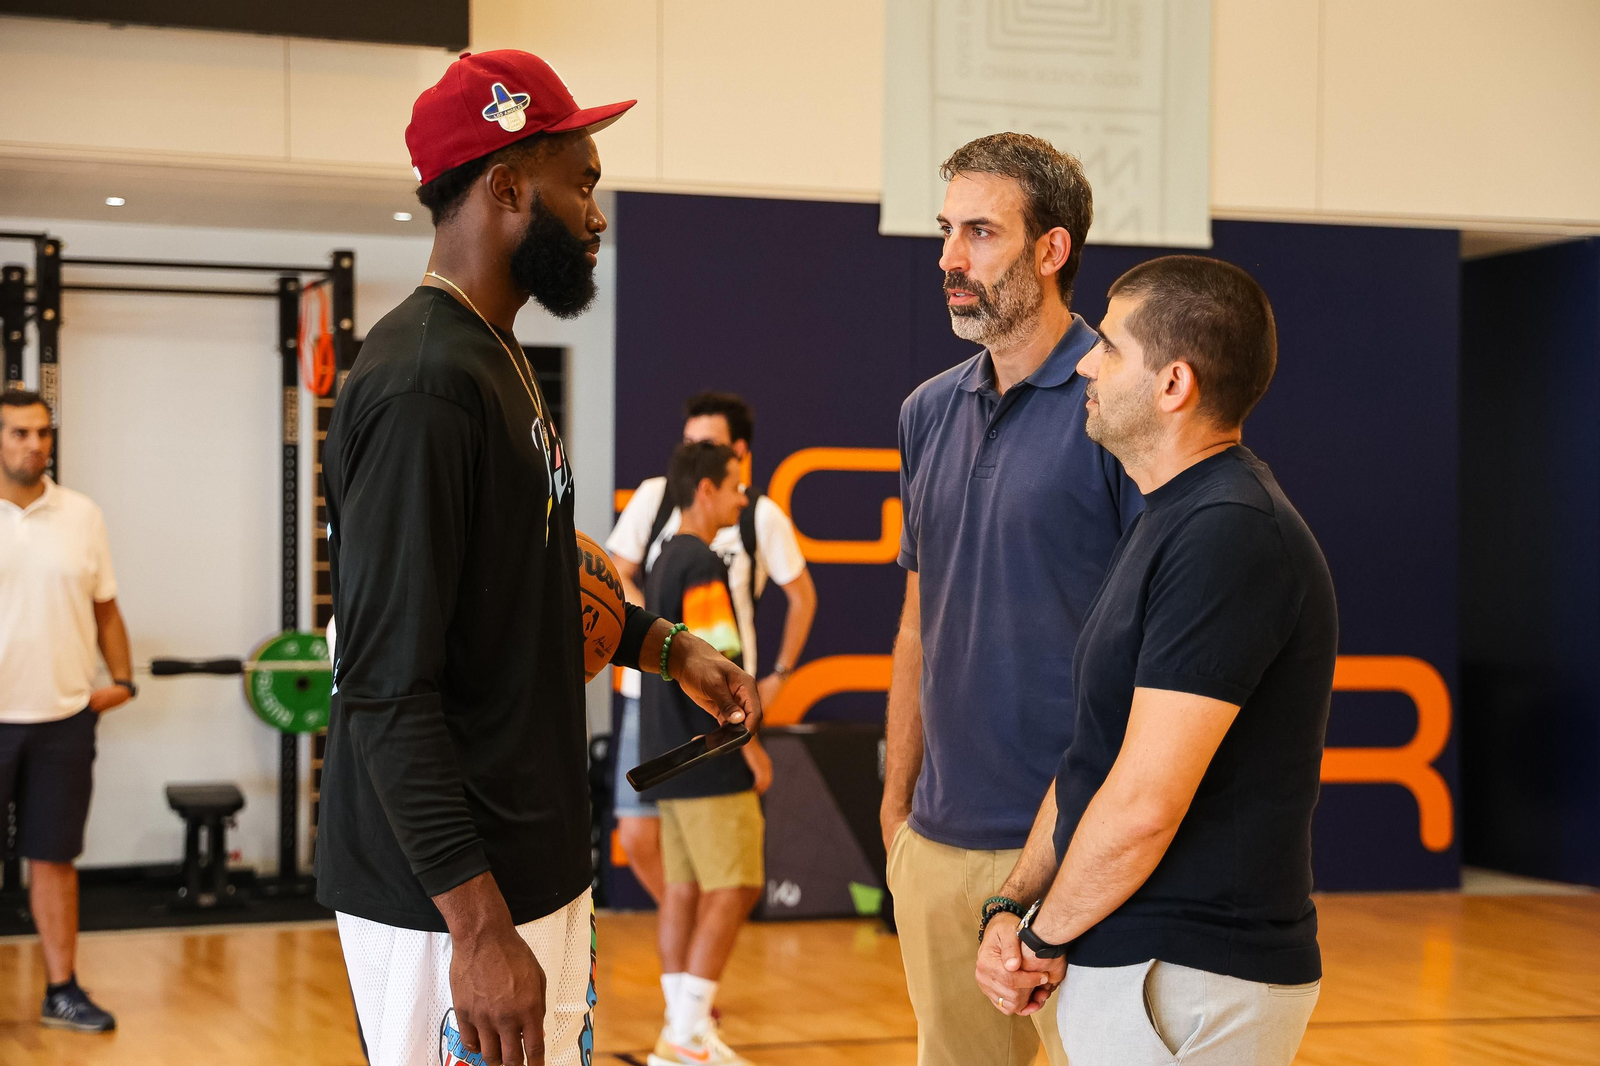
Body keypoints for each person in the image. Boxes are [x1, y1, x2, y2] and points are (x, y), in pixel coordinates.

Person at [318, 51, 760, 1066]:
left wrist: (669, 649)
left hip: (527, 863)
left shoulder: (500, 354)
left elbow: (532, 577)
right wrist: (476, 928)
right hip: (447, 897)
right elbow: (384, 686)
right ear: (507, 185)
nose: (598, 216)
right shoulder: (424, 383)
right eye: (585, 182)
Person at [974, 256, 1336, 1066]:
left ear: (1173, 385)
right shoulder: (1169, 518)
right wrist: (1013, 902)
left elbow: (1142, 804)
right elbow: (1091, 765)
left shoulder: (1229, 533)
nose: (1084, 364)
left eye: (1107, 346)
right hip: (1137, 966)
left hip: (1192, 973)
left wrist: (1037, 937)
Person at [881, 132, 1142, 1066]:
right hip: (938, 849)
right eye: (946, 231)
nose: (950, 258)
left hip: (1078, 850)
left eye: (980, 232)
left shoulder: (1119, 404)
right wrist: (895, 808)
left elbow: (1157, 646)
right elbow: (920, 622)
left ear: (1051, 248)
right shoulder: (925, 411)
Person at [607, 392, 813, 900]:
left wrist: (779, 675)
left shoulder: (757, 514)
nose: (694, 452)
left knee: (717, 871)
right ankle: (690, 959)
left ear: (736, 452)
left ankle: (688, 962)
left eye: (709, 444)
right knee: (643, 837)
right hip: (650, 692)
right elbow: (614, 574)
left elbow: (801, 597)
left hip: (718, 690)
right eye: (689, 442)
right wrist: (662, 637)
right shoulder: (659, 501)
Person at [0, 389, 133, 1033]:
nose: (35, 444)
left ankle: (62, 990)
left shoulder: (81, 515)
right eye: (20, 433)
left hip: (62, 720)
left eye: (43, 433)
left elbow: (105, 607)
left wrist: (125, 681)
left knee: (54, 857)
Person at [637, 441, 765, 1066]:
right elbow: (718, 673)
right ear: (705, 490)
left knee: (684, 889)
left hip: (668, 758)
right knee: (737, 883)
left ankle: (676, 1031)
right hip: (710, 760)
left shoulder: (663, 559)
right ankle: (688, 1032)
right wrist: (753, 749)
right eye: (736, 485)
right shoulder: (702, 563)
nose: (745, 497)